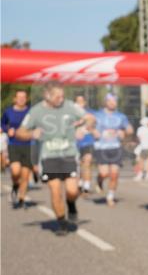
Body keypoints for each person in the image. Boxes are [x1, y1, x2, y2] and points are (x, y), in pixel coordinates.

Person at [17, 81, 95, 235]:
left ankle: (71, 204)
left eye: (63, 96)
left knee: (72, 191)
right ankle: (61, 221)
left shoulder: (70, 106)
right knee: (55, 191)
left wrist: (84, 128)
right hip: (48, 157)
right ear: (47, 95)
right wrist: (32, 134)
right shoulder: (36, 111)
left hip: (69, 155)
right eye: (58, 97)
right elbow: (20, 132)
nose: (61, 99)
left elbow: (90, 118)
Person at [93, 93, 133, 207]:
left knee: (114, 174)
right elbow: (88, 125)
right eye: (110, 101)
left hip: (116, 147)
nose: (112, 103)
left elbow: (129, 129)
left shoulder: (121, 116)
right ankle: (99, 180)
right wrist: (93, 131)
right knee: (104, 173)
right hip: (101, 147)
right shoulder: (97, 115)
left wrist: (124, 132)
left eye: (114, 101)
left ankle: (110, 196)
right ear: (105, 102)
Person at [2, 89, 33, 208]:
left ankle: (21, 199)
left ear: (26, 99)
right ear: (14, 99)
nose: (21, 99)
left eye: (24, 97)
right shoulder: (8, 111)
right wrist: (6, 130)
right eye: (19, 97)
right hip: (14, 144)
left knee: (25, 175)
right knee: (15, 171)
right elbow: (2, 124)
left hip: (29, 145)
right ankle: (15, 185)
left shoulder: (31, 112)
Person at [73, 94, 97, 194]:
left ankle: (86, 185)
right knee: (78, 164)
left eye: (81, 101)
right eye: (78, 101)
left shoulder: (90, 113)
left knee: (87, 161)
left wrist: (86, 122)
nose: (80, 103)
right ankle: (80, 182)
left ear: (85, 103)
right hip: (74, 142)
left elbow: (93, 121)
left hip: (87, 141)